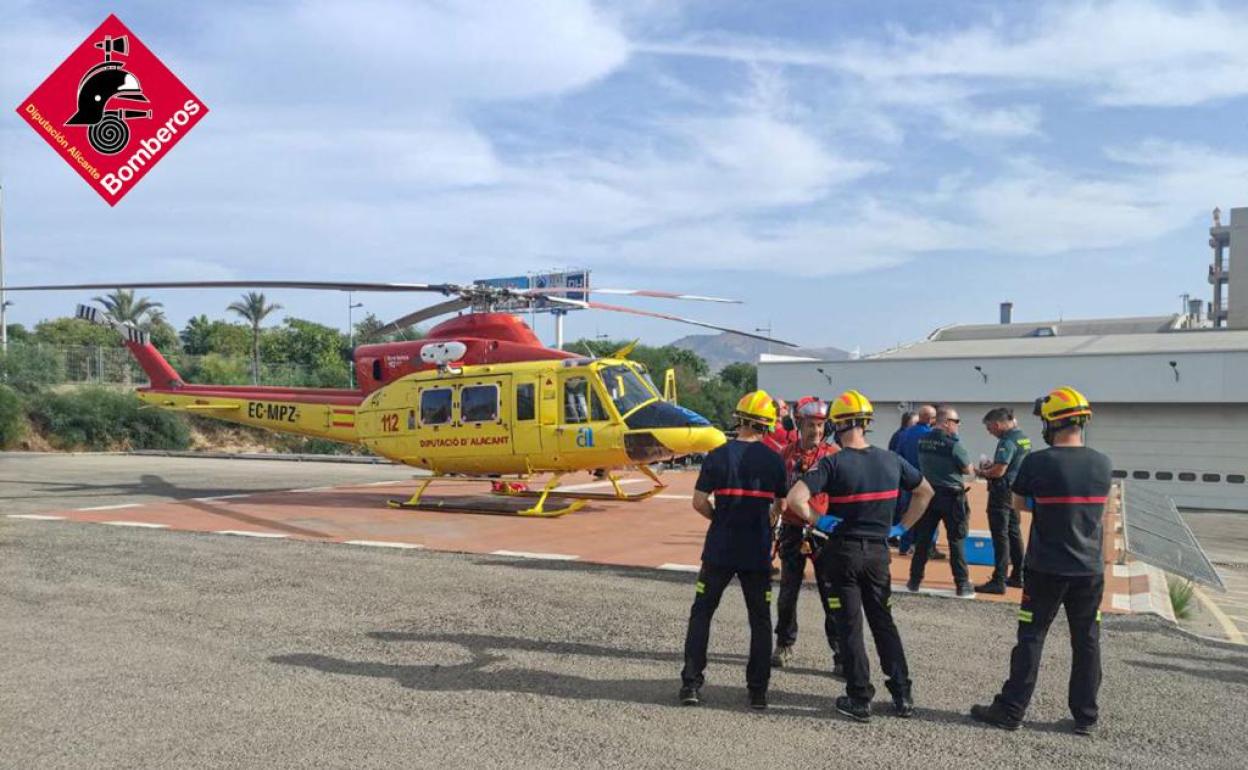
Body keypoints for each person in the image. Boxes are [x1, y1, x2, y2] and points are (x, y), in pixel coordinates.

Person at [971, 386, 1112, 736]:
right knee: (1087, 641)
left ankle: (1011, 710)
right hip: (1089, 569)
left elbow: (1019, 505)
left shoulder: (1039, 462)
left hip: (1047, 566)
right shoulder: (1102, 462)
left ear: (1052, 422)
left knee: (1032, 636)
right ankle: (1086, 717)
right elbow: (1099, 512)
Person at [787, 389, 935, 723]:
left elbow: (796, 497)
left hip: (844, 553)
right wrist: (900, 528)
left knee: (850, 625)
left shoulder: (833, 462)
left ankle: (859, 697)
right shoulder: (890, 460)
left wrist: (819, 520)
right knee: (884, 623)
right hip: (879, 553)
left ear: (835, 425)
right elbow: (925, 492)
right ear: (866, 424)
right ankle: (902, 694)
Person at [680, 390, 788, 711]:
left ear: (738, 419)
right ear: (766, 425)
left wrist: (720, 518)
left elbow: (699, 502)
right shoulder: (774, 460)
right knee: (759, 620)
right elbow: (779, 505)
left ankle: (691, 683)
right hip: (756, 550)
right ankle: (757, 691)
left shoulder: (717, 455)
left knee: (702, 613)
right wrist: (765, 522)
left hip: (719, 547)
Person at [772, 397, 843, 674]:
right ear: (799, 424)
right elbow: (779, 490)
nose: (816, 431)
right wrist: (776, 506)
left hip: (824, 533)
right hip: (792, 531)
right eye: (811, 425)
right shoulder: (786, 455)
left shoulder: (833, 455)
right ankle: (784, 643)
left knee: (831, 594)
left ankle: (840, 652)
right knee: (788, 592)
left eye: (820, 425)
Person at [908, 405, 976, 598]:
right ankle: (962, 584)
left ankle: (914, 580)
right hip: (952, 496)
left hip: (929, 494)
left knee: (923, 540)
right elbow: (968, 470)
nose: (958, 426)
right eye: (956, 422)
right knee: (956, 541)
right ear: (946, 423)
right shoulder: (954, 444)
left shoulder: (923, 441)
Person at [974, 408, 1032, 594]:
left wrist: (982, 472)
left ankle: (998, 579)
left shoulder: (1006, 441)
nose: (990, 432)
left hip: (1002, 491)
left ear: (997, 424)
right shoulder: (1023, 437)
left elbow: (999, 471)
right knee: (1014, 532)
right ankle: (1018, 575)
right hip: (1016, 490)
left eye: (990, 428)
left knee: (1000, 535)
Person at [894, 404, 945, 560]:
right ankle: (929, 547)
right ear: (931, 419)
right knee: (929, 514)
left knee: (908, 512)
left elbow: (898, 454)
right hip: (926, 480)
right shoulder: (932, 435)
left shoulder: (905, 434)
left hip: (907, 479)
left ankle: (905, 545)